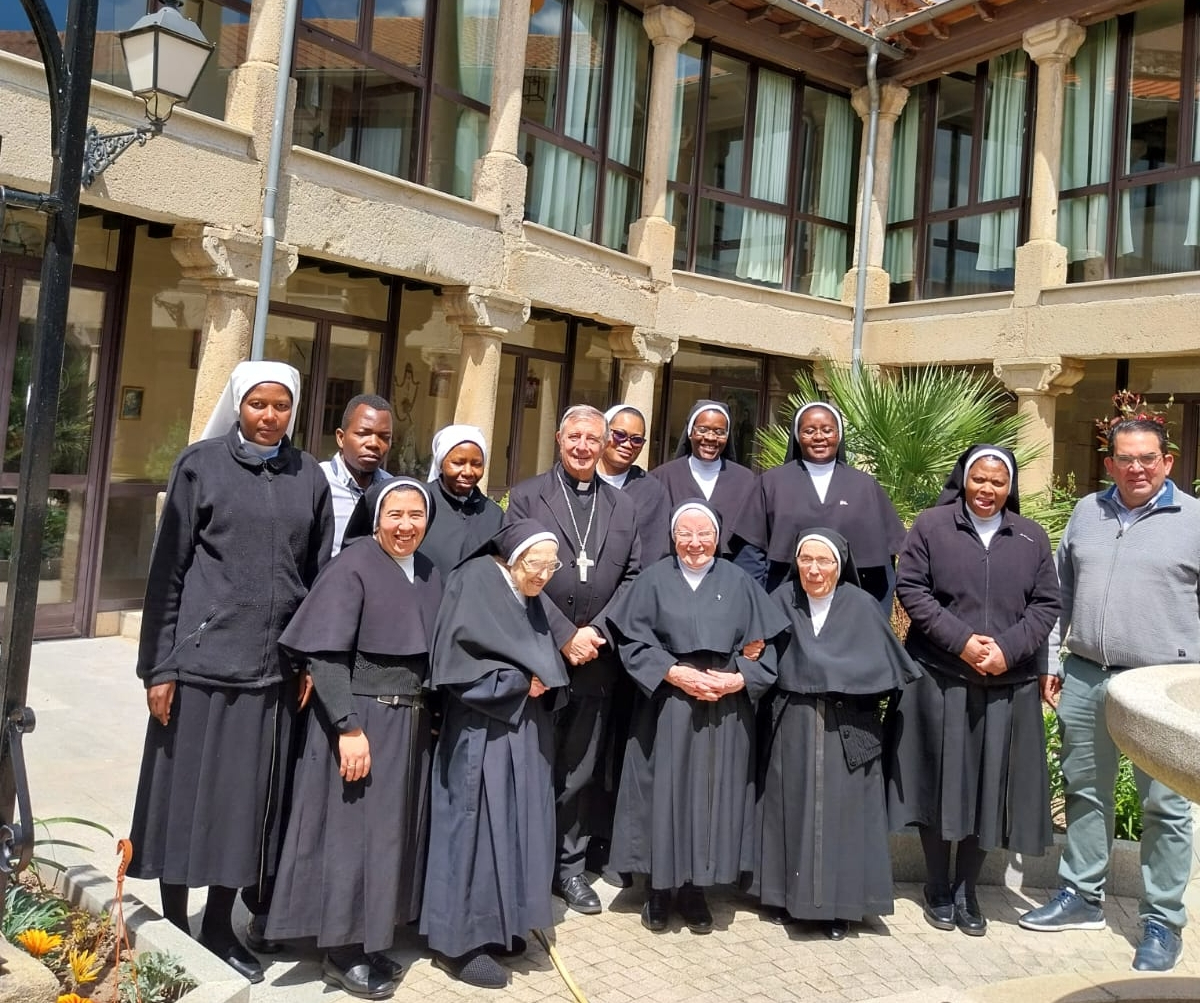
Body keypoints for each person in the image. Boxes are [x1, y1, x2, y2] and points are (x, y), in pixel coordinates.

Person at [128, 361, 333, 984]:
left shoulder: (309, 478)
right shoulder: (201, 465)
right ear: (240, 405)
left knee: (242, 810)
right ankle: (172, 923)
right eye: (258, 405)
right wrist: (159, 666)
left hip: (269, 671)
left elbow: (318, 578)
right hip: (198, 666)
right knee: (183, 803)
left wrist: (308, 661)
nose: (270, 417)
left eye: (281, 407)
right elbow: (169, 570)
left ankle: (221, 925)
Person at [1019, 419, 1199, 972]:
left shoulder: (1194, 520)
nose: (1137, 468)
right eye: (1126, 458)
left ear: (1167, 461)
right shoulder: (1087, 513)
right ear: (1111, 463)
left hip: (1162, 687)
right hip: (1087, 674)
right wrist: (1053, 659)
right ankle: (1081, 895)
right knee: (1084, 790)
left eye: (1148, 458)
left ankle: (1162, 921)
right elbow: (1060, 592)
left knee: (1166, 808)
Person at [266, 477, 441, 1000]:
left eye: (416, 515)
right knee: (349, 838)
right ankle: (340, 953)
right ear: (376, 517)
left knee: (386, 839)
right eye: (395, 515)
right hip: (362, 720)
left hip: (408, 723)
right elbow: (324, 655)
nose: (406, 526)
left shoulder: (429, 572)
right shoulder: (353, 564)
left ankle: (368, 938)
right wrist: (347, 727)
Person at [888, 445, 1059, 937]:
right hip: (942, 674)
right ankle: (937, 885)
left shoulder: (1030, 536)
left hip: (1007, 680)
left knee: (988, 785)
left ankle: (968, 887)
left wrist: (1006, 649)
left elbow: (1046, 603)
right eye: (978, 480)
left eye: (997, 482)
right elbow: (912, 589)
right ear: (964, 479)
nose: (987, 490)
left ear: (1011, 487)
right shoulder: (932, 526)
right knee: (939, 780)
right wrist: (963, 642)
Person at [606, 501, 789, 935]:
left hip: (723, 706)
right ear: (673, 537)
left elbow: (768, 646)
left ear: (717, 536)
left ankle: (694, 889)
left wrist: (739, 679)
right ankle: (657, 888)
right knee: (663, 791)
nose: (694, 543)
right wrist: (672, 672)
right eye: (685, 534)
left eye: (703, 534)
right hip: (666, 703)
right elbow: (631, 643)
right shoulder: (652, 580)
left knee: (710, 796)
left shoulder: (739, 581)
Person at [505, 405, 642, 916]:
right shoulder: (525, 496)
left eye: (593, 438)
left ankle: (569, 868)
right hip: (539, 653)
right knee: (534, 764)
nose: (584, 446)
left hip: (596, 661)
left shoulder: (622, 507)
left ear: (606, 443)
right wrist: (564, 635)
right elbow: (515, 572)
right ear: (559, 439)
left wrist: (598, 632)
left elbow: (633, 576)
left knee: (579, 770)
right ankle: (526, 865)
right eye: (575, 437)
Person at [421, 521, 569, 990]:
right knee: (473, 828)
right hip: (481, 730)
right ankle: (456, 944)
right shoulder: (476, 581)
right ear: (511, 557)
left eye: (552, 566)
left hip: (522, 728)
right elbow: (460, 668)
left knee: (514, 826)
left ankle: (499, 923)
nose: (544, 575)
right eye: (536, 565)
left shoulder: (524, 588)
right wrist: (519, 684)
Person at [754, 530, 920, 940]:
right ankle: (782, 897)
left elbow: (889, 673)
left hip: (849, 726)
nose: (813, 569)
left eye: (823, 561)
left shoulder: (862, 607)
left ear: (840, 565)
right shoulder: (781, 600)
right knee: (788, 808)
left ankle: (841, 907)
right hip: (792, 721)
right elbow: (764, 658)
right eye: (805, 560)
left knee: (844, 816)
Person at [732, 400, 906, 612]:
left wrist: (877, 616)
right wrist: (758, 611)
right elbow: (750, 553)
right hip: (784, 604)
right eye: (809, 430)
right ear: (797, 436)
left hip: (850, 607)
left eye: (827, 430)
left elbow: (882, 562)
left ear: (838, 435)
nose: (819, 437)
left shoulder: (864, 485)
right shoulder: (771, 483)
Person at [650, 399, 756, 559]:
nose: (711, 437)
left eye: (720, 432)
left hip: (728, 572)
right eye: (703, 429)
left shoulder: (746, 481)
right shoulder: (662, 477)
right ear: (690, 432)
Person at [418, 424, 503, 576]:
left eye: (476, 464)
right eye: (458, 463)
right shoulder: (420, 504)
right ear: (441, 463)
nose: (468, 472)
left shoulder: (494, 515)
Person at [596, 405, 671, 564]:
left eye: (636, 440)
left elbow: (653, 552)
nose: (627, 444)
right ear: (604, 433)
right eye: (620, 435)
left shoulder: (653, 492)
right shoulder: (582, 479)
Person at [321, 393, 393, 555]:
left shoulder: (392, 490)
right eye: (363, 434)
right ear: (340, 437)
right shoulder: (317, 481)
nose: (374, 444)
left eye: (384, 437)